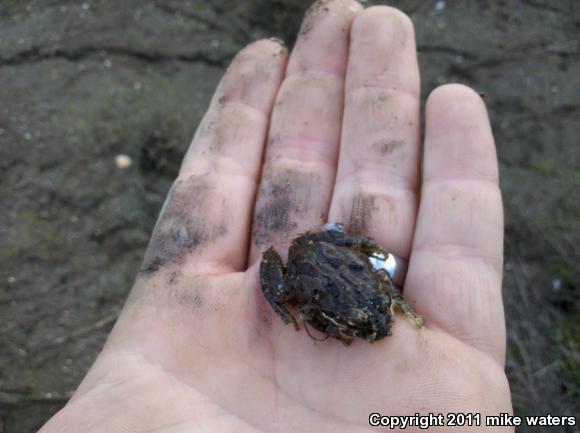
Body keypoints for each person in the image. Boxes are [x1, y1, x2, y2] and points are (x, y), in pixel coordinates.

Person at [39, 1, 513, 432]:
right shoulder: (338, 314)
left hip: (335, 258)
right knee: (289, 288)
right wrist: (297, 312)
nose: (376, 331)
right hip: (317, 262)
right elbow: (328, 304)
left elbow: (382, 288)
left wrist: (381, 290)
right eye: (368, 326)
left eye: (372, 325)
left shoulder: (378, 301)